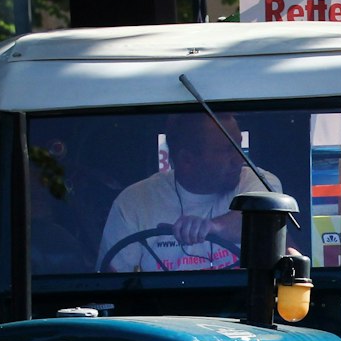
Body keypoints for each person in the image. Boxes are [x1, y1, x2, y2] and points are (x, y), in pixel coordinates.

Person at [97, 114, 280, 272]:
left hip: (242, 311)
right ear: (186, 160)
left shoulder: (259, 181)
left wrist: (213, 227)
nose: (240, 158)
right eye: (226, 150)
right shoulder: (134, 202)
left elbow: (263, 223)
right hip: (160, 312)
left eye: (239, 145)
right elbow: (110, 283)